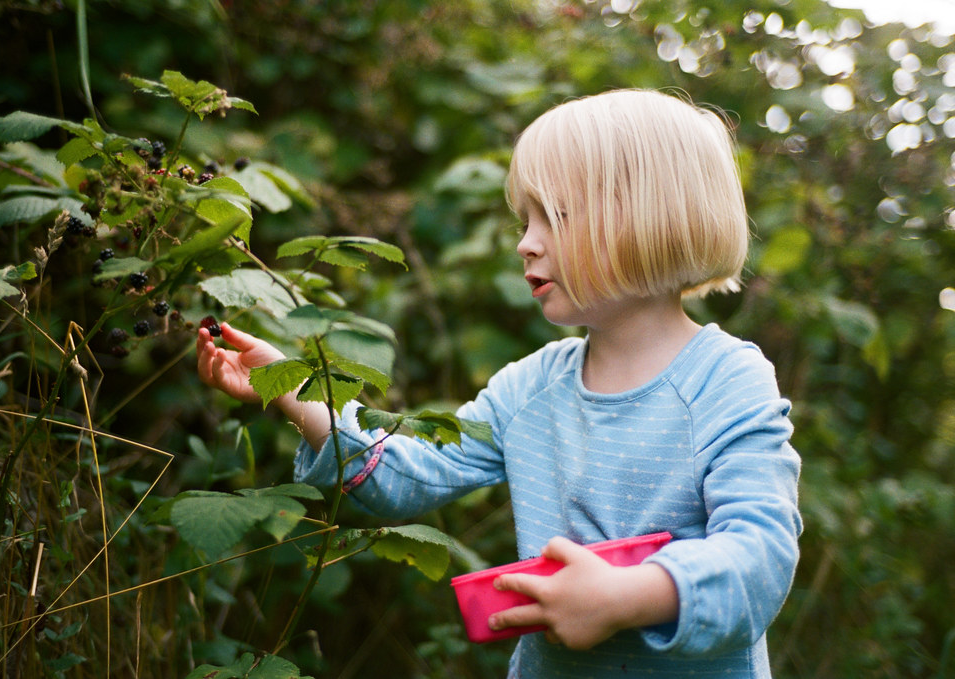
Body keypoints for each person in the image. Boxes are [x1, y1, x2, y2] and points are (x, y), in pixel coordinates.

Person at [196, 88, 802, 678]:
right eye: (525, 218)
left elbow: (760, 559)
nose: (525, 242)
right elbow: (401, 479)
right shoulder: (531, 386)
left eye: (555, 215)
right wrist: (290, 388)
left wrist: (627, 596)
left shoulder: (725, 381)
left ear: (648, 218)